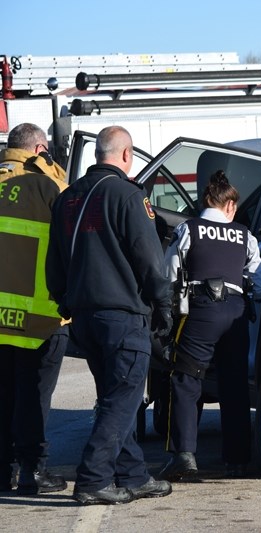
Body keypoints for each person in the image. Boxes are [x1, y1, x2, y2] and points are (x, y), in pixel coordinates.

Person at [45, 126, 173, 504]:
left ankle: (132, 474)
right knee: (122, 399)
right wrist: (163, 303)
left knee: (118, 396)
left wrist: (64, 299)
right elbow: (148, 256)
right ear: (126, 154)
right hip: (123, 316)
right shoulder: (130, 196)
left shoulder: (67, 199)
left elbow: (54, 262)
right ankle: (93, 479)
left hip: (83, 315)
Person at [157, 170, 261, 481]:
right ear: (229, 205)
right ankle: (238, 460)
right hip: (236, 310)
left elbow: (169, 271)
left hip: (200, 309)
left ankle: (184, 457)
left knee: (186, 380)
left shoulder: (189, 229)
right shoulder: (245, 235)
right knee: (234, 386)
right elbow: (260, 279)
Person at [0, 124, 69, 495]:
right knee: (34, 396)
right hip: (40, 315)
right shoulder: (47, 184)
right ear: (40, 149)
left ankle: (4, 470)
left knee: (5, 394)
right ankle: (33, 471)